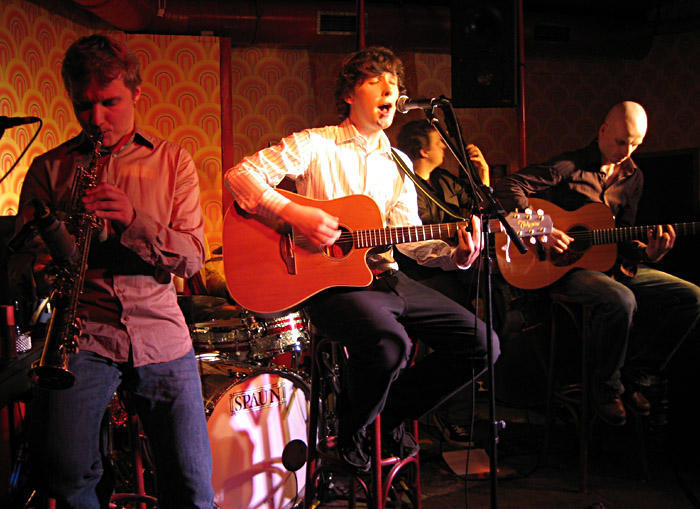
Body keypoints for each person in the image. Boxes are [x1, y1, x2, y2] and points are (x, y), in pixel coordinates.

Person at [224, 46, 499, 470]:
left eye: (395, 82)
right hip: (330, 285)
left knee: (482, 345)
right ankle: (350, 434)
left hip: (387, 279)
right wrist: (297, 212)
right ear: (350, 94)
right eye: (376, 79)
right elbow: (240, 176)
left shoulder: (400, 163)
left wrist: (457, 254)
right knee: (391, 347)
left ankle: (387, 417)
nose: (390, 87)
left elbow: (410, 241)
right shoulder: (316, 144)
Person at [9, 34, 214, 507]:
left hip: (161, 333)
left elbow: (192, 257)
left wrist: (133, 222)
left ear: (136, 93)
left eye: (110, 102)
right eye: (85, 106)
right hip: (82, 335)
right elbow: (20, 265)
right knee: (64, 473)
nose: (97, 119)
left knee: (191, 485)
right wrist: (46, 261)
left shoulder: (173, 161)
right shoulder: (49, 169)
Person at [493, 101, 700, 426]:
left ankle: (635, 374)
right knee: (620, 299)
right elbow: (507, 187)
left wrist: (650, 254)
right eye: (621, 141)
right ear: (603, 131)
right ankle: (605, 389)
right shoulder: (570, 165)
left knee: (690, 296)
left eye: (635, 144)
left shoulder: (634, 176)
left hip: (614, 264)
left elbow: (622, 239)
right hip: (564, 268)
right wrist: (541, 229)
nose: (627, 150)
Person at [395, 119, 491, 446]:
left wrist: (483, 177)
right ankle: (451, 416)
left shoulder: (445, 180)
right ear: (422, 150)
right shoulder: (402, 185)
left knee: (496, 295)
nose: (445, 148)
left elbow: (480, 208)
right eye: (439, 142)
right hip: (417, 274)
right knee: (467, 325)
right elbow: (411, 246)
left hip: (453, 267)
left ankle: (466, 402)